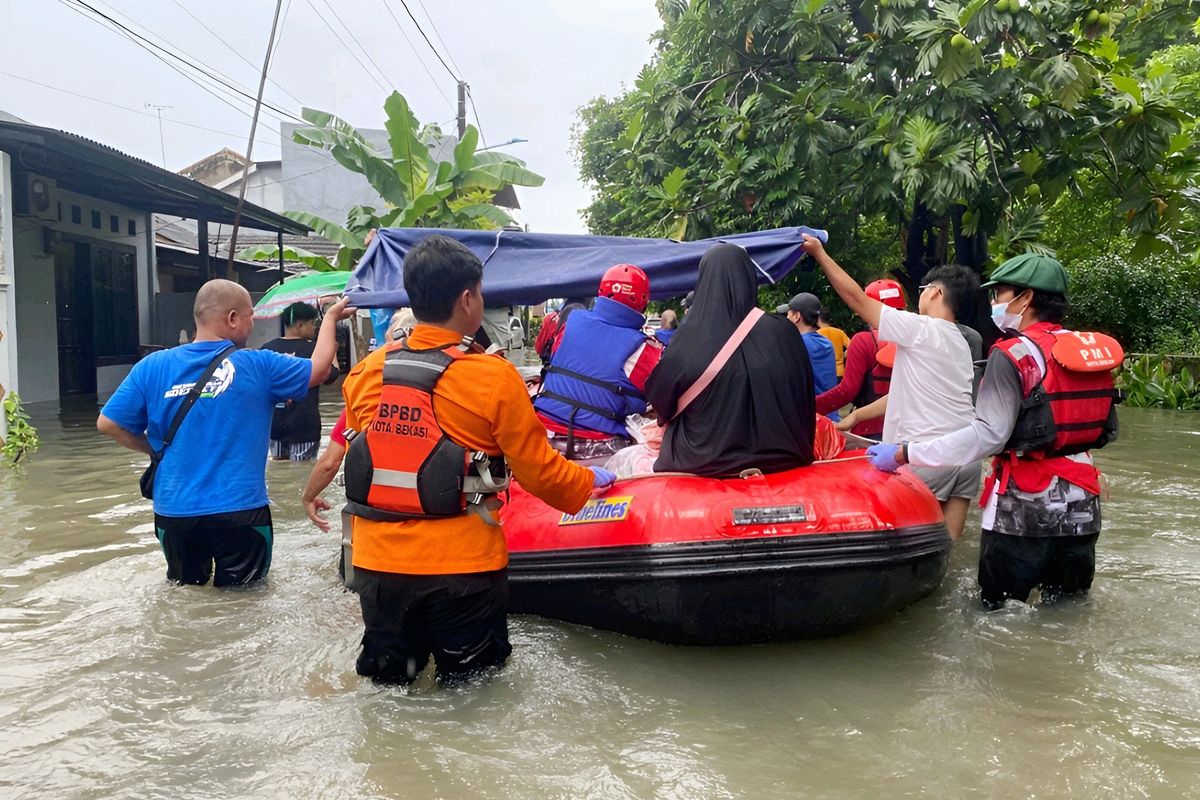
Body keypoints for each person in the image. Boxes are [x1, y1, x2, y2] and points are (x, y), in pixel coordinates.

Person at [340, 234, 610, 686]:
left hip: (377, 566)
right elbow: (540, 473)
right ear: (467, 298)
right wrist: (588, 482)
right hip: (461, 570)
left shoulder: (365, 373)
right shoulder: (492, 376)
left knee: (390, 690)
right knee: (471, 696)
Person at [864, 254, 1121, 609]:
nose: (995, 303)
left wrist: (904, 452)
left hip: (1022, 509)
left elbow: (987, 435)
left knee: (997, 613)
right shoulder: (1084, 351)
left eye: (1000, 293)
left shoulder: (1011, 354)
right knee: (1067, 610)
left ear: (1026, 298)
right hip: (1082, 506)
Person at [96, 279, 352, 586]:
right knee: (244, 603)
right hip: (240, 510)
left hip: (174, 511)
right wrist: (332, 318)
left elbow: (108, 424)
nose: (253, 322)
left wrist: (152, 449)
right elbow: (321, 369)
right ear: (232, 318)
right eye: (250, 316)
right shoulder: (258, 365)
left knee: (184, 594)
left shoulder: (152, 366)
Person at [804, 235, 980, 541]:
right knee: (947, 552)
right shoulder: (961, 342)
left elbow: (857, 299)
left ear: (936, 292)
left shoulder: (921, 328)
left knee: (910, 544)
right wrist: (857, 418)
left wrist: (820, 254)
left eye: (923, 290)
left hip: (926, 455)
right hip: (966, 457)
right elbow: (903, 393)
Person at [645, 244, 816, 477]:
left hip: (702, 463)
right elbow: (804, 396)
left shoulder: (688, 339)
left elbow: (660, 401)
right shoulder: (783, 331)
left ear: (704, 281)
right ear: (749, 278)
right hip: (784, 460)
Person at [533, 265, 663, 461]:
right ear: (643, 303)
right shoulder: (645, 349)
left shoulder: (570, 323)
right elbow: (645, 402)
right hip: (598, 446)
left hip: (541, 436)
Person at [814, 279, 906, 440]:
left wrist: (809, 406)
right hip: (909, 428)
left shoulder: (864, 340)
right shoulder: (916, 337)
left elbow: (848, 390)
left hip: (868, 430)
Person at [261, 302, 341, 461]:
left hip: (275, 425)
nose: (314, 328)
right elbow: (331, 376)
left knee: (279, 470)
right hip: (304, 425)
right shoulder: (314, 350)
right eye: (312, 323)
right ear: (299, 325)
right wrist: (332, 350)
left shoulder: (267, 349)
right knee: (301, 471)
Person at [777, 293, 837, 395]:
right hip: (828, 407)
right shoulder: (827, 343)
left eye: (788, 314)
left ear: (797, 316)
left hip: (808, 408)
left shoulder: (797, 345)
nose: (787, 318)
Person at [817, 308, 853, 378]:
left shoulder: (817, 334)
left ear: (818, 319)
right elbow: (852, 346)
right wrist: (843, 355)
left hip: (824, 372)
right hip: (840, 371)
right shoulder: (839, 332)